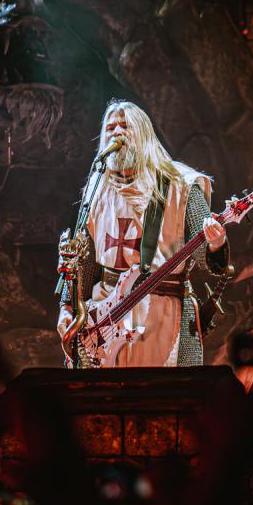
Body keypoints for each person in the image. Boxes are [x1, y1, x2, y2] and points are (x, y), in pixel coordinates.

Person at [58, 99, 229, 367]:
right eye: (110, 128)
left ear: (142, 133)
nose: (116, 132)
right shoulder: (97, 187)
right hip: (104, 319)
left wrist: (215, 243)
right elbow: (85, 258)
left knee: (165, 390)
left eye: (124, 126)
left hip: (163, 313)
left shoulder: (180, 185)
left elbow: (203, 249)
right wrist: (68, 307)